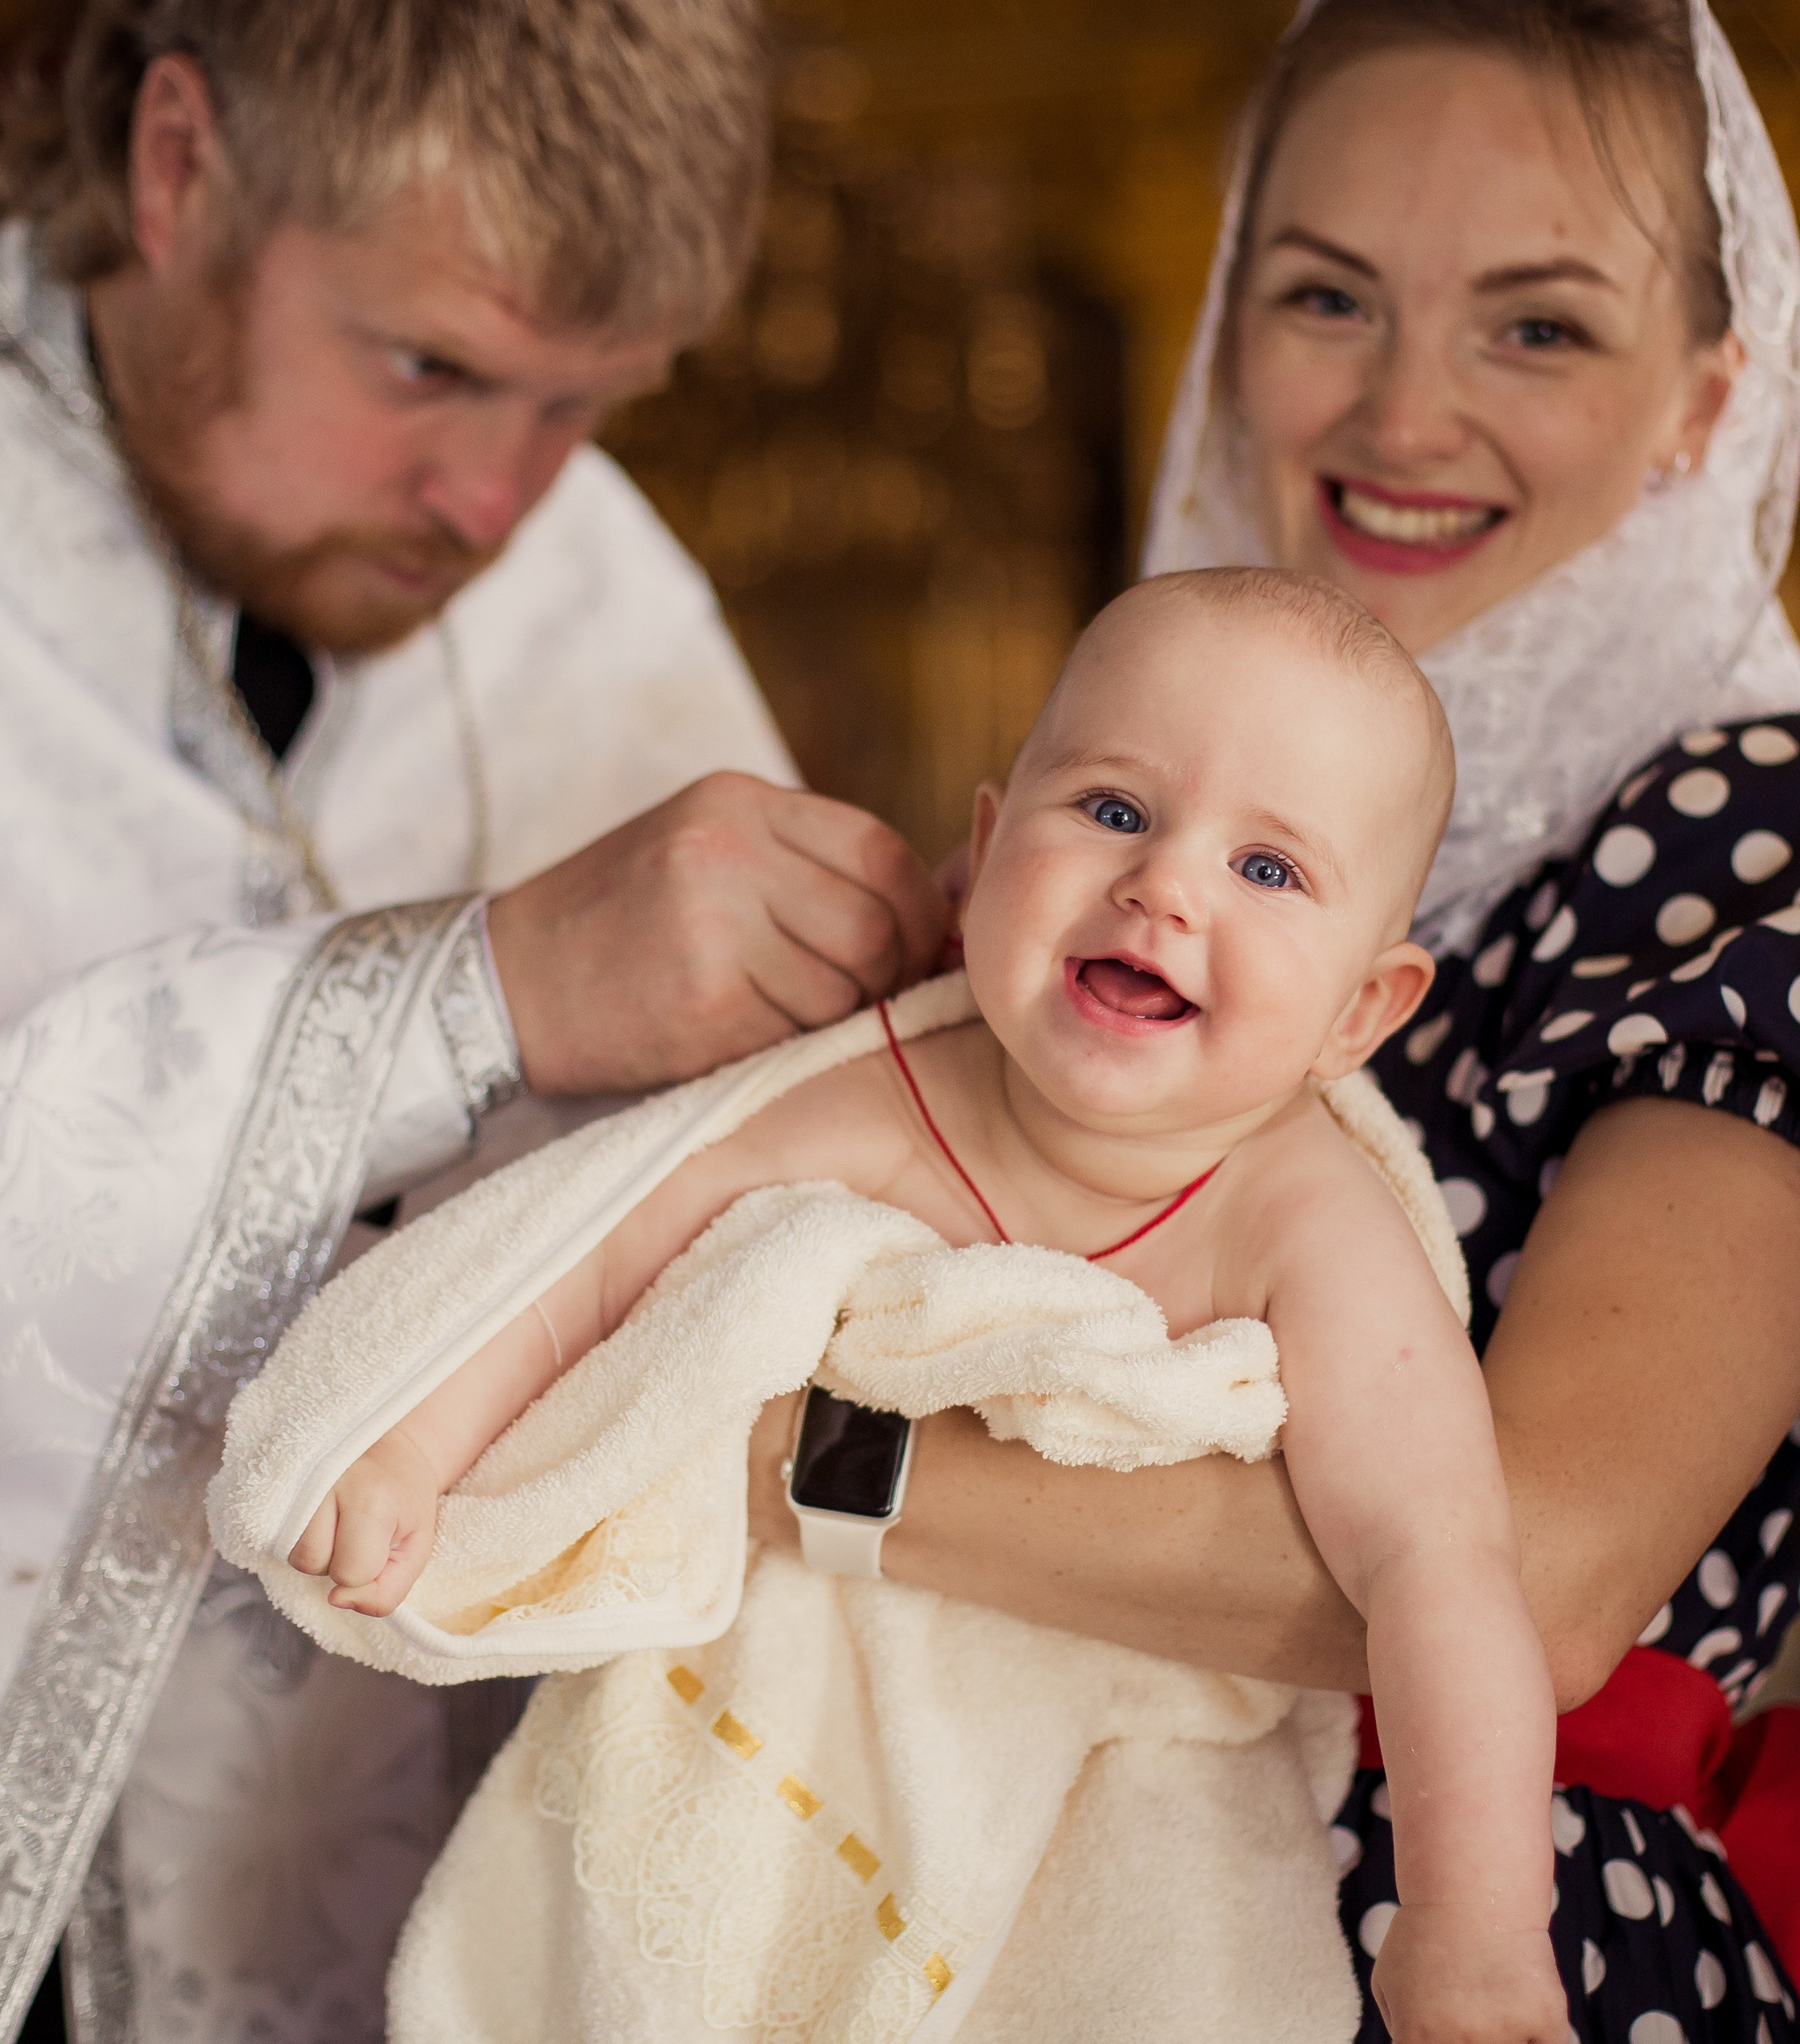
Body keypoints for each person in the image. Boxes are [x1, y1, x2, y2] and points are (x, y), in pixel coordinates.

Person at [735, 5, 1800, 2042]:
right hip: (991, 1900)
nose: (1405, 410)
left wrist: (754, 1459)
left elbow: (1538, 1570)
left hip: (1461, 1938)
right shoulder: (1119, 815)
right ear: (1224, 327)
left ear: (1707, 393)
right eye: (1326, 295)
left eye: (1536, 325)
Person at [263, 565, 1563, 2044]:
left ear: (1361, 1014)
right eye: (1115, 809)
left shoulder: (1303, 1223)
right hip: (769, 1750)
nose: (1165, 886)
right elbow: (602, 1254)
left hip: (1117, 1811)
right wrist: (409, 1445)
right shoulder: (883, 1091)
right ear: (990, 852)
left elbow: (1437, 1563)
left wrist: (1473, 1925)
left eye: (1269, 871)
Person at [0, 4, 943, 2039]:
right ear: (178, 164)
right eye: (425, 366)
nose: (494, 501)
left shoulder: (585, 586)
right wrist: (485, 992)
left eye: (583, 403)